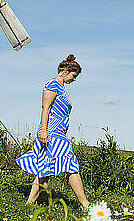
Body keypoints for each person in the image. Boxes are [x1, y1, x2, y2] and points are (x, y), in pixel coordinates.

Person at [16, 54, 91, 210]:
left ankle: (29, 204)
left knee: (45, 168)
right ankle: (86, 205)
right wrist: (44, 130)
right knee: (71, 165)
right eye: (74, 75)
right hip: (51, 132)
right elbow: (46, 107)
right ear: (66, 70)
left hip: (58, 132)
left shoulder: (61, 87)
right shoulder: (52, 84)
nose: (74, 79)